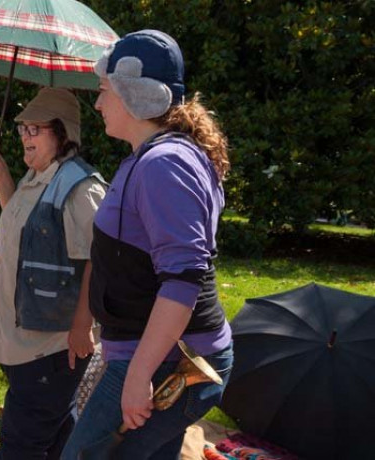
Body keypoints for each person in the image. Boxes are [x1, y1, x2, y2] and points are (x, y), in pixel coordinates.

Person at [61, 30, 234, 459]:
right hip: (152, 354)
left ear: (136, 94)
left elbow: (184, 279)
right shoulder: (152, 156)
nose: (98, 103)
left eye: (104, 91)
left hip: (164, 361)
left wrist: (139, 376)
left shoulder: (165, 163)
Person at [0, 87, 107, 459]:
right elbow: (26, 229)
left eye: (35, 129)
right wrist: (3, 176)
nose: (25, 137)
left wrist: (82, 325)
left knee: (20, 447)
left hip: (50, 350)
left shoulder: (81, 187)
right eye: (22, 129)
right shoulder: (38, 179)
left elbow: (102, 258)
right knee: (55, 439)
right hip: (24, 344)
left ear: (62, 133)